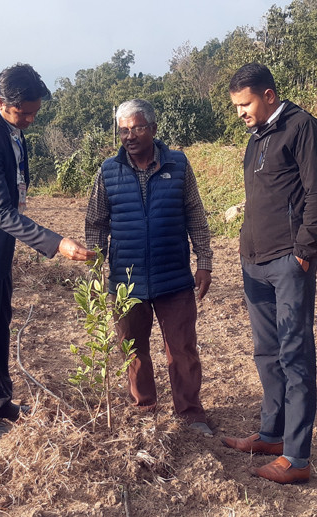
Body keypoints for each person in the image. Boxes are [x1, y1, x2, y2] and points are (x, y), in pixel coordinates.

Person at [0, 63, 95, 440]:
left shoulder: (4, 117)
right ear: (0, 102)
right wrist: (57, 243)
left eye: (33, 112)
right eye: (22, 113)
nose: (29, 119)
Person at [220, 63, 317, 483]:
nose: (240, 113)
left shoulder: (303, 127)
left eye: (245, 103)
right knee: (266, 354)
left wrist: (304, 251)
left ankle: (297, 459)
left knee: (295, 356)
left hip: (289, 261)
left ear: (269, 95)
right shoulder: (256, 137)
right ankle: (272, 435)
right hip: (254, 262)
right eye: (236, 106)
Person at [85, 98, 214, 435]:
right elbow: (96, 223)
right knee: (133, 349)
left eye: (137, 127)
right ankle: (145, 409)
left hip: (173, 278)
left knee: (182, 349)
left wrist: (204, 262)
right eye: (123, 129)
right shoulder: (108, 171)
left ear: (154, 129)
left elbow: (196, 216)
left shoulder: (179, 166)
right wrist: (97, 268)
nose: (129, 136)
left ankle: (190, 413)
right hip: (126, 282)